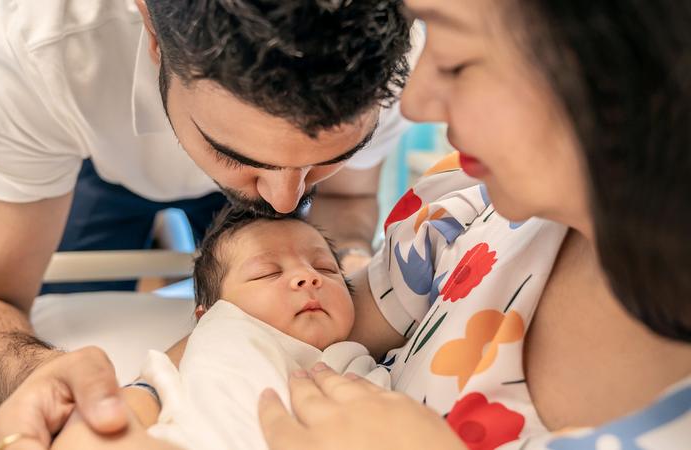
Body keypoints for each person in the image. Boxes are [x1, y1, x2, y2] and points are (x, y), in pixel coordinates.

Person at [0, 0, 417, 446]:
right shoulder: (44, 49)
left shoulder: (392, 53)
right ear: (153, 35)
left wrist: (345, 258)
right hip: (96, 163)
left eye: (333, 155)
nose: (285, 202)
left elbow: (349, 196)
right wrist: (42, 374)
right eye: (231, 152)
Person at [253, 0, 691, 449]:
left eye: (456, 59)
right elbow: (257, 332)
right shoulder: (464, 211)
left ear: (628, 62)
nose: (415, 102)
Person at [45, 207, 389, 450]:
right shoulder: (219, 336)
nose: (308, 276)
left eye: (327, 269)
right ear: (206, 315)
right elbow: (142, 397)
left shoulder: (364, 361)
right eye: (268, 272)